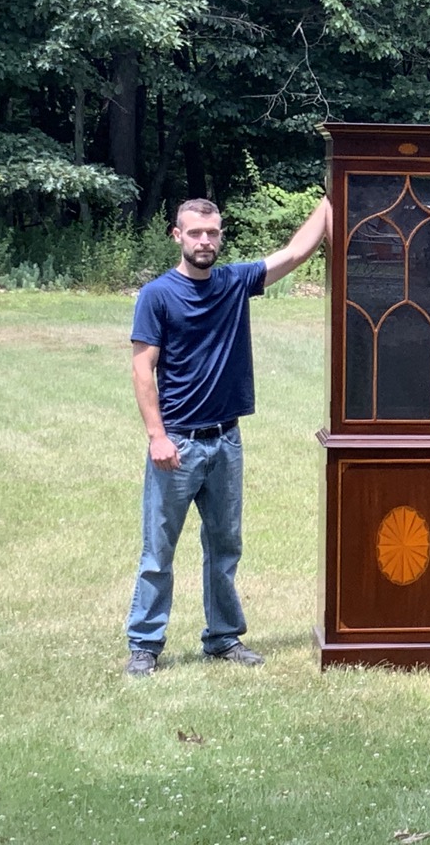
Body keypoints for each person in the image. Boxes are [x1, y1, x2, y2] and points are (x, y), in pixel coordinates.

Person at [124, 195, 331, 677]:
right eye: (195, 233)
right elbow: (141, 369)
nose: (204, 241)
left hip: (226, 441)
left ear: (220, 236)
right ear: (177, 235)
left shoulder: (234, 282)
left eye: (212, 233)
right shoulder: (157, 295)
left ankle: (222, 638)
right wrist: (157, 436)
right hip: (178, 443)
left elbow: (295, 253)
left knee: (224, 548)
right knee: (159, 551)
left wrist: (331, 195)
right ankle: (145, 644)